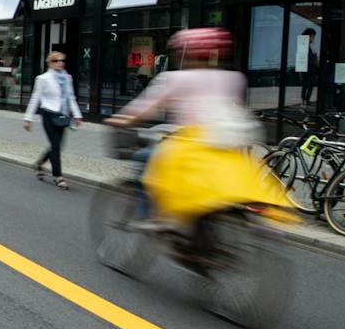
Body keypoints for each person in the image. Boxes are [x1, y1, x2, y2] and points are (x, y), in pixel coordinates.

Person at [108, 28, 286, 230]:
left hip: (188, 147)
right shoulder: (234, 78)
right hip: (225, 147)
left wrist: (121, 120)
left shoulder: (176, 79)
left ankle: (150, 215)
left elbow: (144, 108)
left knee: (144, 157)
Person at [22, 51, 83, 189]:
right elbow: (35, 98)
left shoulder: (67, 78)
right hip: (48, 115)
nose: (60, 63)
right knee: (55, 145)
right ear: (50, 63)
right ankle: (58, 176)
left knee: (58, 146)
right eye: (56, 60)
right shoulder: (43, 78)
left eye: (62, 60)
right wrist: (28, 118)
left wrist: (77, 115)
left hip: (63, 115)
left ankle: (39, 163)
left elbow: (71, 97)